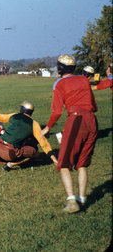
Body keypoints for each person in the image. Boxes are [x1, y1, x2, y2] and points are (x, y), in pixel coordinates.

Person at [41, 54, 98, 214]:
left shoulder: (59, 84)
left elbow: (57, 111)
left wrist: (48, 128)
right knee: (82, 163)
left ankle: (72, 201)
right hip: (92, 120)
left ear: (59, 69)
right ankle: (82, 199)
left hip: (76, 120)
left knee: (64, 163)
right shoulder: (84, 80)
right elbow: (94, 105)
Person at [0, 101, 58, 172]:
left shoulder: (14, 115)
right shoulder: (34, 124)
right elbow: (44, 143)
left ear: (21, 109)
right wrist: (54, 159)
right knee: (34, 152)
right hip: (10, 152)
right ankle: (10, 165)